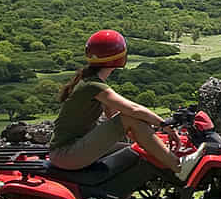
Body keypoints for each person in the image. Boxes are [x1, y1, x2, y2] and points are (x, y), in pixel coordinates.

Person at [48, 30, 181, 173]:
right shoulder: (93, 85)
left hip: (68, 150)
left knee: (133, 153)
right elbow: (132, 110)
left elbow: (113, 114)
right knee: (129, 118)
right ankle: (177, 166)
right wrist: (165, 125)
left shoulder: (89, 81)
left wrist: (145, 137)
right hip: (67, 154)